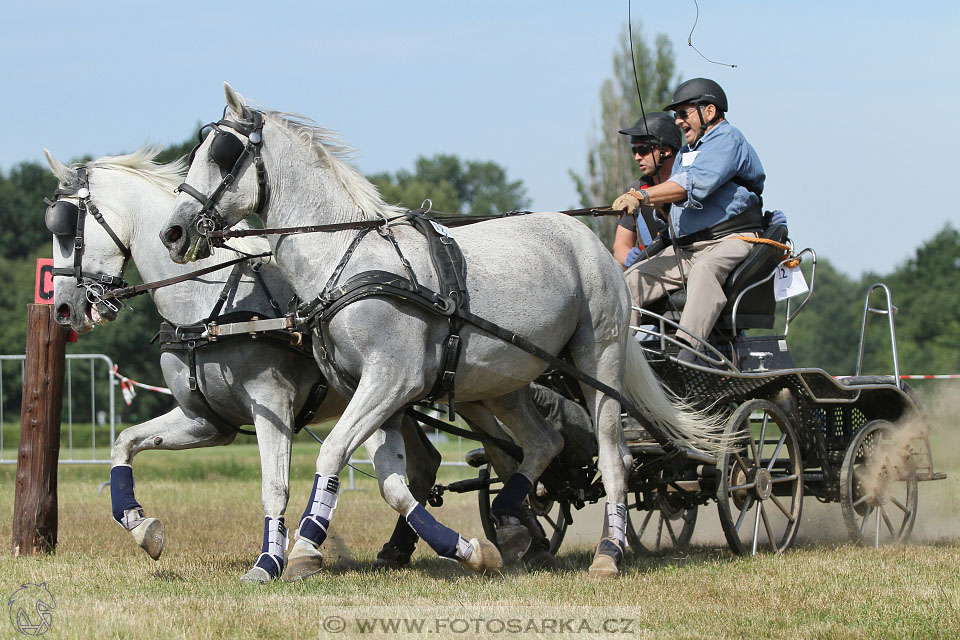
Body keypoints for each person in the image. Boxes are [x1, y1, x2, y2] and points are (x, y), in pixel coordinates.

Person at [613, 78, 766, 353]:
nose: (679, 122)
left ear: (709, 111)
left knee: (705, 270)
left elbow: (693, 185)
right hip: (688, 248)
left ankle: (686, 354)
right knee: (632, 280)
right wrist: (660, 208)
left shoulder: (727, 140)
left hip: (731, 239)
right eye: (676, 116)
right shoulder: (686, 152)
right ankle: (625, 356)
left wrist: (642, 196)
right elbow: (676, 204)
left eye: (684, 114)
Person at [611, 112, 683, 268]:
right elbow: (620, 247)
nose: (637, 157)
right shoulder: (635, 190)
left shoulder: (686, 184)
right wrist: (631, 259)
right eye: (634, 151)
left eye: (643, 150)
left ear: (667, 150)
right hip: (653, 269)